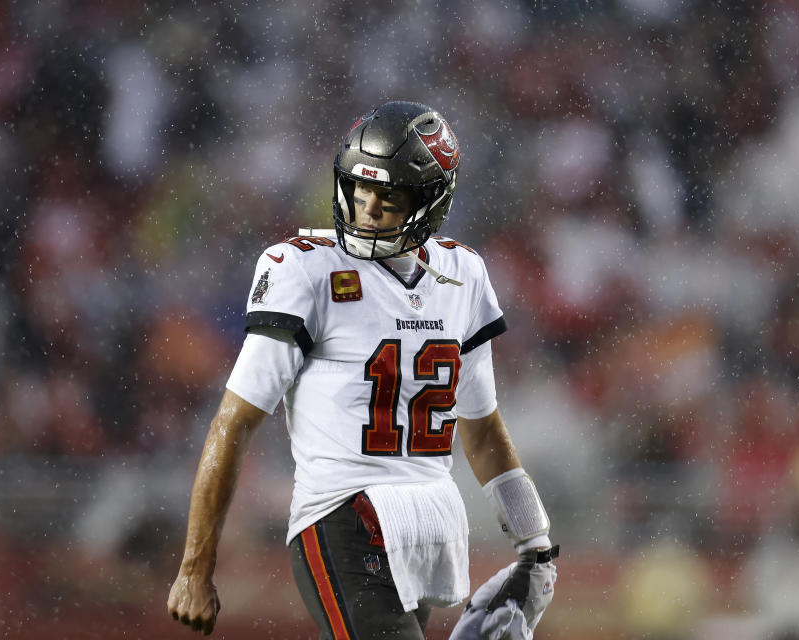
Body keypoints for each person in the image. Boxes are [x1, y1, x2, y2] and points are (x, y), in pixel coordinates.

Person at [167, 101, 556, 639]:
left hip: (428, 520)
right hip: (343, 513)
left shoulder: (462, 273)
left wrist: (535, 541)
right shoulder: (306, 268)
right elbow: (234, 421)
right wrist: (194, 567)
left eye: (389, 196)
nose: (366, 208)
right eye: (359, 189)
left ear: (430, 199)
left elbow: (484, 428)